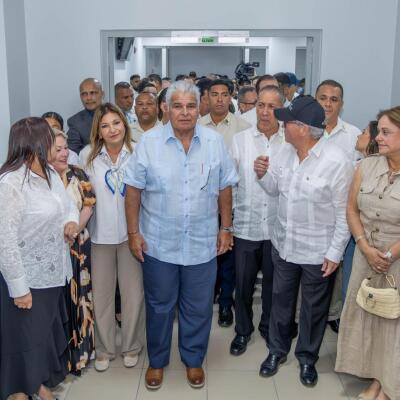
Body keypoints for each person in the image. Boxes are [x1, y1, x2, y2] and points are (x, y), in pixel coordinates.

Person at [124, 80, 239, 390]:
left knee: (198, 307)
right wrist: (133, 233)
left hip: (202, 243)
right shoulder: (149, 143)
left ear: (199, 108)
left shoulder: (214, 142)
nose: (185, 112)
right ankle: (157, 361)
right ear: (166, 108)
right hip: (159, 243)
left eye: (191, 106)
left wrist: (226, 227)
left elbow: (225, 186)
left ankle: (193, 359)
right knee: (160, 306)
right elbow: (132, 190)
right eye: (178, 106)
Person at [254, 96, 353, 387]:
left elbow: (344, 213)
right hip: (284, 246)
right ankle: (277, 351)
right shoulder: (286, 152)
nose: (281, 125)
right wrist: (263, 175)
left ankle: (307, 358)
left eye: (286, 122)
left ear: (303, 128)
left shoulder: (337, 162)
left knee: (313, 309)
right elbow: (276, 190)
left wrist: (335, 252)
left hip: (318, 252)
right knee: (280, 303)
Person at [0, 117, 79, 400]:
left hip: (53, 273)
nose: (55, 143)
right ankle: (18, 392)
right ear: (36, 143)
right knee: (23, 341)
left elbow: (67, 206)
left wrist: (71, 222)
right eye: (49, 138)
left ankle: (36, 384)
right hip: (26, 279)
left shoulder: (48, 173)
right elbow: (4, 241)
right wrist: (19, 288)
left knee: (42, 337)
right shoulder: (11, 183)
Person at [336, 106, 400, 400]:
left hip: (395, 260)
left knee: (393, 323)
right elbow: (351, 209)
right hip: (366, 254)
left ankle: (389, 387)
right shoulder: (366, 166)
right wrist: (363, 246)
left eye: (386, 132)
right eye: (379, 132)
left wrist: (389, 256)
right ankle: (377, 379)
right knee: (370, 318)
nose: (378, 137)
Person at [79, 103, 145, 372]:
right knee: (102, 297)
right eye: (105, 125)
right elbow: (80, 195)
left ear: (124, 124)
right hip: (99, 237)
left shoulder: (139, 151)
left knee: (133, 295)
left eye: (116, 123)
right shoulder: (87, 156)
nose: (112, 129)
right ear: (98, 131)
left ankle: (131, 346)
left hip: (132, 236)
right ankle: (104, 348)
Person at [229, 85, 285, 356]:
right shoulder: (240, 140)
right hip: (246, 226)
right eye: (261, 105)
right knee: (243, 285)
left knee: (274, 287)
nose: (264, 112)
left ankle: (267, 327)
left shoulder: (289, 142)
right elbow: (230, 184)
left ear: (282, 109)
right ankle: (242, 330)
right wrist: (229, 220)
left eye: (272, 107)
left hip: (277, 228)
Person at [198, 78, 251, 327]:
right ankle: (205, 299)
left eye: (224, 94)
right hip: (203, 203)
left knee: (228, 257)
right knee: (206, 255)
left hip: (232, 201)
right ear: (206, 98)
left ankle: (226, 304)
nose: (219, 99)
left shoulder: (243, 128)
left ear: (231, 97)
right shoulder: (196, 126)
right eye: (214, 94)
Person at [316, 79, 362, 332]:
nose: (327, 104)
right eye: (323, 98)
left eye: (333, 99)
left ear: (341, 104)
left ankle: (333, 314)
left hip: (342, 213)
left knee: (337, 266)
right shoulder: (306, 130)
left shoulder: (353, 135)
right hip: (313, 214)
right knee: (310, 269)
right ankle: (302, 316)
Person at [51, 129, 96, 375]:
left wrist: (75, 228)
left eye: (66, 148)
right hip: (52, 250)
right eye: (57, 149)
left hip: (78, 246)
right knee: (58, 303)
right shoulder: (42, 178)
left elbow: (89, 203)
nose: (64, 153)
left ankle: (81, 355)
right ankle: (58, 362)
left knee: (81, 299)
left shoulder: (77, 173)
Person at [342, 120, 379, 300]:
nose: (358, 135)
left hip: (373, 242)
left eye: (364, 132)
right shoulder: (356, 165)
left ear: (373, 140)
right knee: (349, 291)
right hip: (354, 238)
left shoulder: (378, 172)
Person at [67, 78, 104, 154]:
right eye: (84, 94)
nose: (88, 98)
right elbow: (74, 153)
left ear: (102, 94)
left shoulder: (116, 115)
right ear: (80, 97)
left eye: (93, 93)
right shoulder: (74, 122)